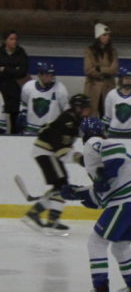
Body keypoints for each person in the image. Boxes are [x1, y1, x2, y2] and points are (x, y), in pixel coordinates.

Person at [61, 117, 131, 292]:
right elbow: (101, 196)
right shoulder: (99, 163)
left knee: (96, 242)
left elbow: (115, 150)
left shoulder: (94, 143)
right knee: (121, 246)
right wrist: (77, 193)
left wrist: (103, 177)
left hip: (126, 199)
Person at [21, 93, 93, 234]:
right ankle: (52, 222)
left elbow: (62, 148)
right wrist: (79, 159)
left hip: (47, 152)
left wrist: (79, 158)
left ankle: (34, 214)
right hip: (46, 152)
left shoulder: (72, 120)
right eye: (85, 107)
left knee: (59, 186)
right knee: (62, 185)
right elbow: (61, 150)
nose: (88, 110)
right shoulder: (68, 122)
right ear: (78, 108)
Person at [18, 62, 70, 135]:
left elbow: (66, 109)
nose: (50, 78)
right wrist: (22, 114)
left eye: (51, 75)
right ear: (39, 75)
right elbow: (24, 104)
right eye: (47, 75)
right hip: (30, 130)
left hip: (51, 131)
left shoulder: (60, 89)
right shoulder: (28, 87)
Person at [83, 22, 118, 115]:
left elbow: (113, 69)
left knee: (107, 115)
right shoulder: (89, 51)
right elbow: (89, 70)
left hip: (108, 87)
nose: (107, 37)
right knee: (91, 114)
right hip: (93, 88)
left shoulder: (112, 52)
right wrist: (106, 70)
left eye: (108, 35)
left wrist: (99, 69)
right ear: (98, 36)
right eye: (104, 35)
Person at [0, 30, 29, 133]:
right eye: (11, 39)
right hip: (2, 90)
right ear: (5, 41)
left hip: (16, 91)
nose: (14, 41)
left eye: (15, 39)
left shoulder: (21, 53)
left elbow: (22, 71)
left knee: (15, 119)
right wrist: (14, 69)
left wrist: (5, 69)